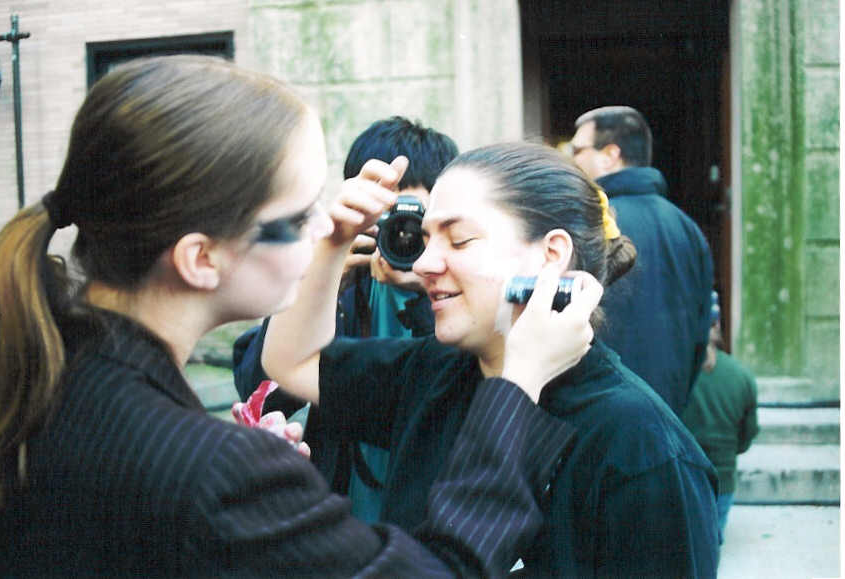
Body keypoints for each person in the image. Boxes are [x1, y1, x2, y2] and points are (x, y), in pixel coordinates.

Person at [0, 54, 601, 577]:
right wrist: (517, 384)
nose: (326, 227)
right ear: (201, 258)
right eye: (298, 217)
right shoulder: (211, 469)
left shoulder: (34, 389)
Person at [262, 142, 720, 576]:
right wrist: (333, 241)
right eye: (425, 239)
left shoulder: (642, 448)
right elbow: (292, 363)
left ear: (552, 255)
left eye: (459, 240)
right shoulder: (434, 370)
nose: (423, 264)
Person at [234, 116, 457, 522]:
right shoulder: (338, 286)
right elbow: (259, 389)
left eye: (415, 224)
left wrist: (426, 292)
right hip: (343, 513)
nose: (401, 236)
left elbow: (453, 385)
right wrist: (323, 276)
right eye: (387, 219)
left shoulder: (456, 294)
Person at [570, 105, 714, 416]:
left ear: (610, 155)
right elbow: (701, 335)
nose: (572, 160)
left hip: (599, 414)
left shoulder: (590, 225)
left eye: (577, 150)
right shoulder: (687, 228)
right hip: (667, 412)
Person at [682, 291, 760, 546]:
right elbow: (746, 437)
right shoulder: (742, 376)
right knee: (710, 547)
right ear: (717, 325)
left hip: (682, 478)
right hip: (722, 480)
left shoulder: (675, 375)